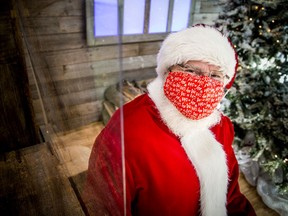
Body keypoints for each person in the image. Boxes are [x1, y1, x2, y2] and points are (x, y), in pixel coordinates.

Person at [83, 25, 256, 216]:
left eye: (215, 75)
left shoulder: (221, 126)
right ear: (168, 71)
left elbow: (231, 197)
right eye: (192, 71)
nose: (204, 84)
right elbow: (103, 206)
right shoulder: (126, 129)